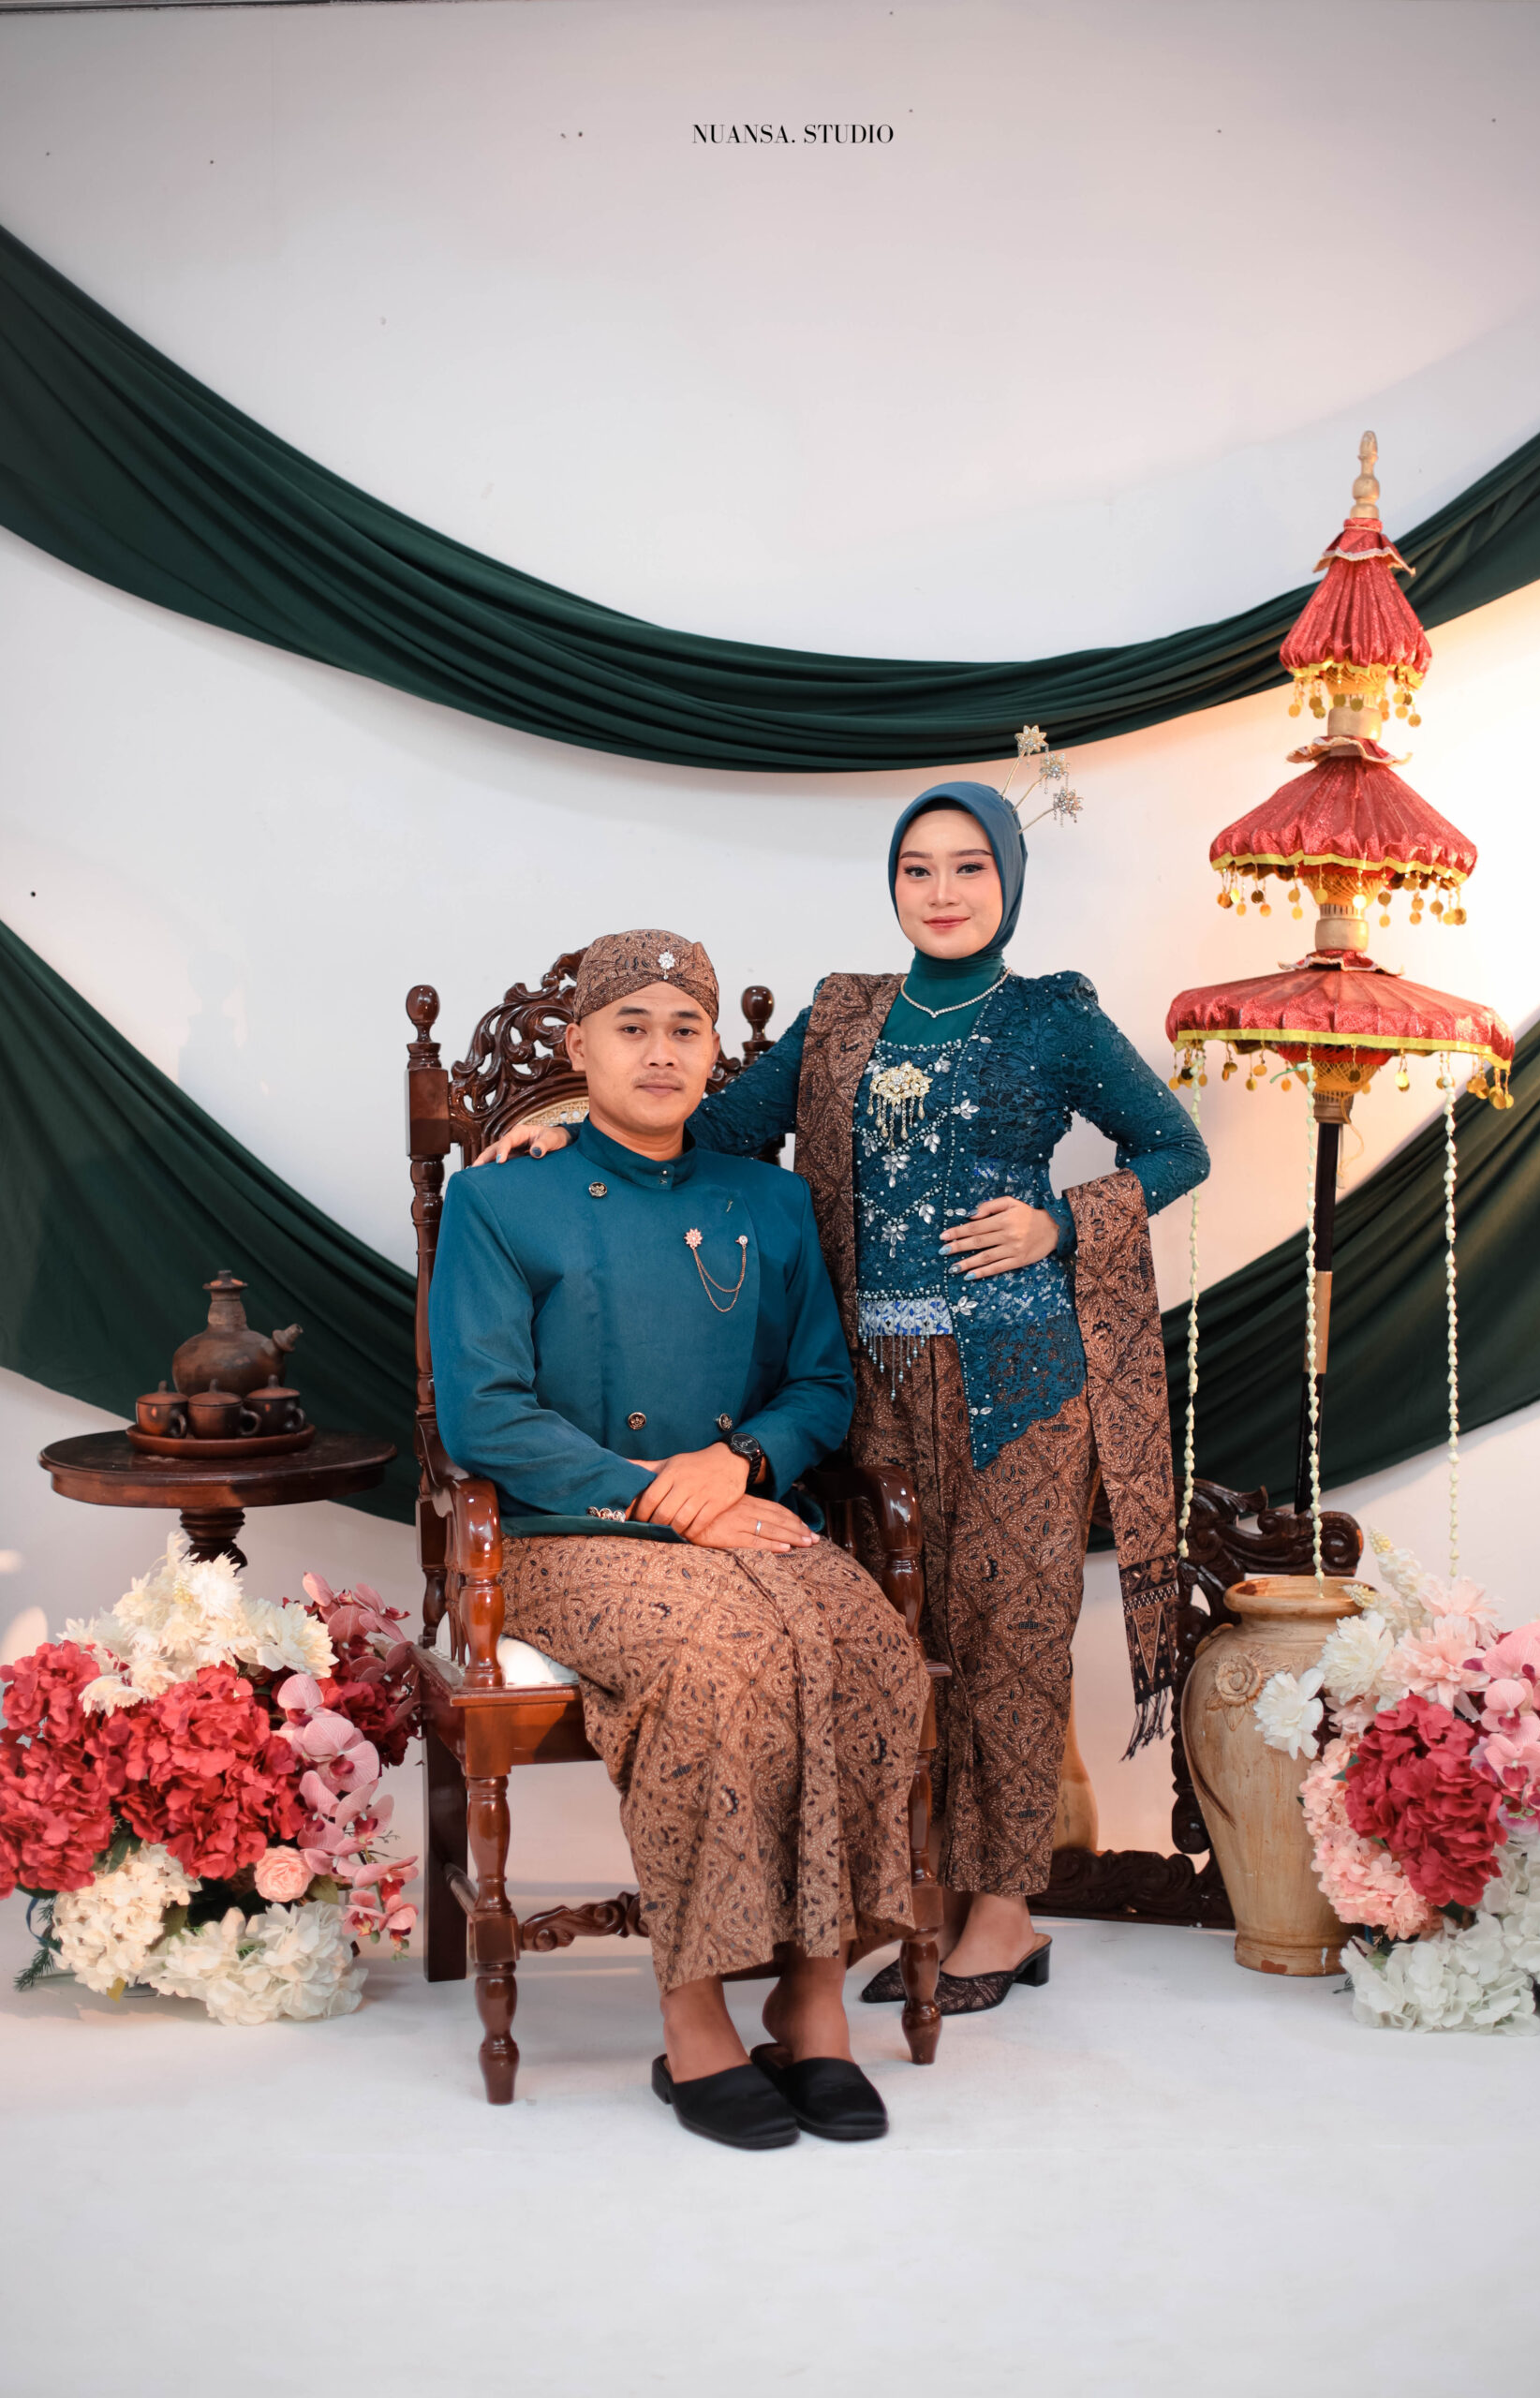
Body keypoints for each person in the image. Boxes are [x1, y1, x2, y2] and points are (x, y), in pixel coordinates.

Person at [480, 791, 1209, 2015]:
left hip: (1019, 1377)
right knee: (897, 1631)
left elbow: (1175, 1148)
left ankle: (1002, 1912)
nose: (943, 892)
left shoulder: (1054, 1014)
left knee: (1011, 1634)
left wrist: (1057, 1222)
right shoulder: (842, 1015)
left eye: (970, 867)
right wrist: (564, 1128)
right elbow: (709, 1124)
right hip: (863, 1383)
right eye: (918, 868)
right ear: (893, 884)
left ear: (1008, 881)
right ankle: (894, 1896)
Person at [429, 928, 927, 2152]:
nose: (660, 1052)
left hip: (743, 1510)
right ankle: (693, 2010)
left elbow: (820, 1386)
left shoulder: (768, 1199)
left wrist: (735, 1465)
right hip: (565, 1532)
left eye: (685, 1029)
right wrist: (661, 1495)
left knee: (870, 1644)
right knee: (714, 1660)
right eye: (632, 1027)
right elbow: (485, 1414)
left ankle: (812, 1999)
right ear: (578, 1046)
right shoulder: (501, 1198)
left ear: (713, 1056)